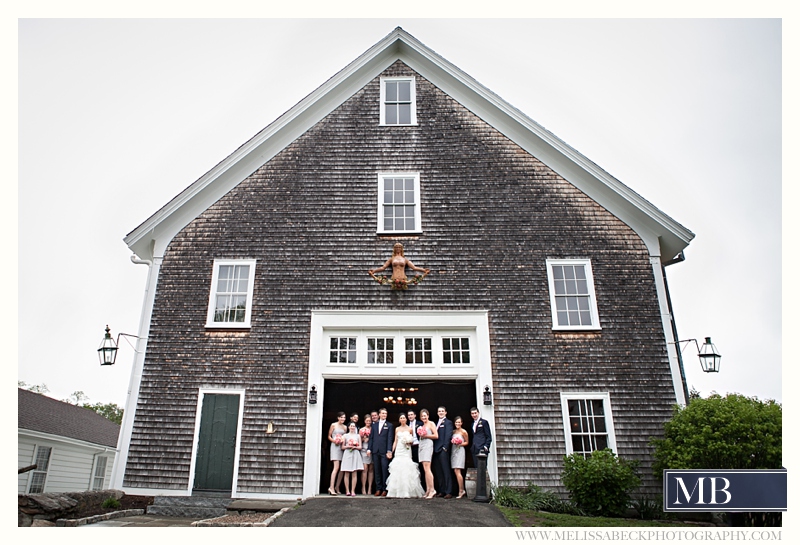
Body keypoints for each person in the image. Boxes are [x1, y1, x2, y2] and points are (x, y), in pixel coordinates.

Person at [386, 414, 425, 498]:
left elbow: (413, 440)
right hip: (399, 450)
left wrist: (408, 441)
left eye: (404, 418)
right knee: (397, 468)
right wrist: (391, 451)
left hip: (406, 450)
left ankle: (407, 491)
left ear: (406, 419)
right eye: (401, 418)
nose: (403, 419)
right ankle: (395, 491)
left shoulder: (410, 429)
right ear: (399, 420)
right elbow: (395, 441)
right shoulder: (397, 429)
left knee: (407, 468)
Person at [367, 407, 393, 496]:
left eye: (385, 413)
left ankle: (385, 489)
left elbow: (390, 439)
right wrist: (369, 449)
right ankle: (378, 488)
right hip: (375, 450)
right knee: (377, 470)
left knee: (384, 469)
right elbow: (371, 438)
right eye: (382, 413)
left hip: (384, 450)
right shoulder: (374, 425)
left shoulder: (389, 425)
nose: (384, 415)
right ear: (379, 415)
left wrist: (389, 450)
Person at [432, 405, 454, 498]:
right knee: (438, 471)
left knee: (446, 470)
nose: (440, 412)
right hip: (436, 450)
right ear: (437, 413)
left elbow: (448, 435)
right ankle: (442, 490)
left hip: (443, 449)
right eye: (439, 411)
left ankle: (449, 491)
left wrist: (445, 447)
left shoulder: (448, 422)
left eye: (442, 411)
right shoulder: (436, 423)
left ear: (445, 412)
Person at [416, 408, 438, 499]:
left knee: (427, 467)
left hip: (428, 444)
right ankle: (428, 489)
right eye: (422, 416)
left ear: (428, 416)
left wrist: (425, 435)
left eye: (425, 415)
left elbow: (436, 435)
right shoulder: (422, 425)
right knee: (424, 468)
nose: (424, 417)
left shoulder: (431, 423)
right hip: (421, 445)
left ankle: (432, 489)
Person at [340, 422, 364, 496]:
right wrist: (349, 446)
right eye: (351, 426)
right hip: (347, 453)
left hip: (355, 453)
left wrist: (355, 447)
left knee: (354, 472)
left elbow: (360, 447)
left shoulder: (358, 436)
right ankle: (347, 490)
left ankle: (353, 490)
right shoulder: (345, 436)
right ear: (349, 427)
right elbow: (342, 447)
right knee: (347, 472)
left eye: (354, 426)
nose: (352, 427)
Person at [327, 412, 347, 495]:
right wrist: (334, 441)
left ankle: (337, 486)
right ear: (338, 418)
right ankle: (331, 487)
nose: (343, 419)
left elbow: (345, 437)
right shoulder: (333, 425)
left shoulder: (345, 427)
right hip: (335, 446)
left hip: (341, 447)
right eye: (341, 417)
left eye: (344, 417)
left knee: (342, 469)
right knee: (336, 467)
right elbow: (329, 436)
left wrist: (342, 441)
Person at [450, 416, 470, 499]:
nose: (457, 424)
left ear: (461, 423)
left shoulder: (463, 432)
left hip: (460, 450)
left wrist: (459, 443)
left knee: (457, 470)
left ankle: (461, 490)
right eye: (456, 422)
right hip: (454, 450)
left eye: (459, 422)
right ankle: (460, 489)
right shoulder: (453, 431)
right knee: (455, 470)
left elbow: (467, 442)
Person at [360, 414, 374, 495]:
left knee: (371, 469)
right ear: (364, 421)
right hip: (364, 450)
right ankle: (363, 487)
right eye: (367, 421)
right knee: (365, 469)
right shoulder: (362, 430)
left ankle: (370, 488)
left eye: (369, 421)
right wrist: (363, 438)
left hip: (371, 450)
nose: (368, 422)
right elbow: (358, 440)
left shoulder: (373, 429)